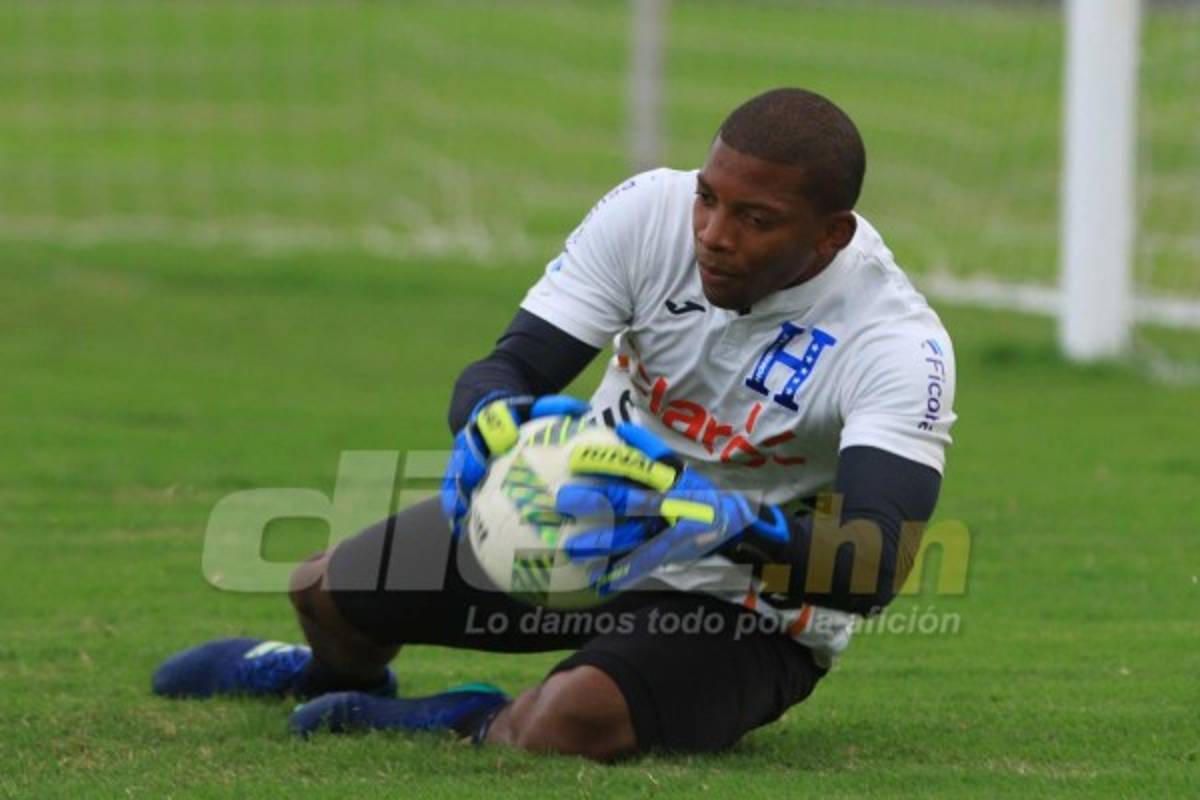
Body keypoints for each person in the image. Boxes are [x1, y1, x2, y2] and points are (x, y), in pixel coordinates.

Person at [153, 88, 957, 761]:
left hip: (743, 606)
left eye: (755, 218)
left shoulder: (895, 345)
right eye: (709, 199)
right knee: (323, 590)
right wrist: (492, 423)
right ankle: (331, 680)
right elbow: (507, 368)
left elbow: (872, 567)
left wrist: (727, 520)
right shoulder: (650, 213)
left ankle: (457, 716)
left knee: (568, 722)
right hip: (577, 524)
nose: (713, 234)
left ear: (831, 234)